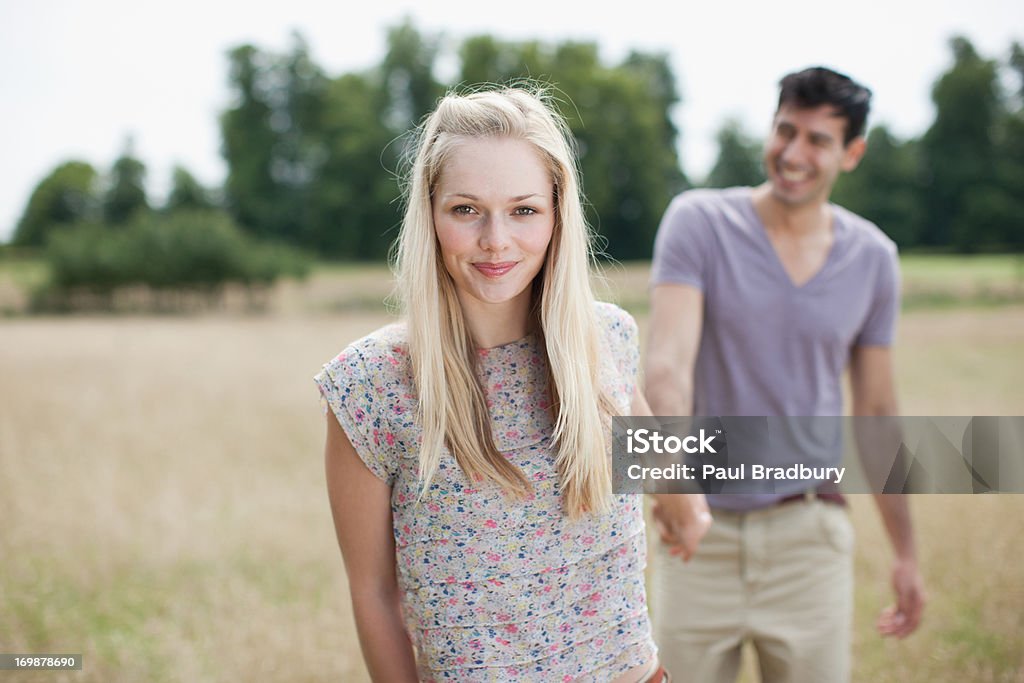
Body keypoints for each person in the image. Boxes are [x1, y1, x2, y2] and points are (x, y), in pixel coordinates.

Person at [315, 86, 709, 682]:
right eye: (466, 209)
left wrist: (686, 505)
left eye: (524, 210)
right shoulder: (371, 385)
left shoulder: (606, 338)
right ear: (430, 215)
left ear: (556, 215)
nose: (496, 240)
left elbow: (654, 452)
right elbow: (373, 594)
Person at [644, 67, 927, 683]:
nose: (793, 153)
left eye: (818, 140)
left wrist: (905, 554)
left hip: (809, 540)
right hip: (699, 537)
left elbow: (877, 413)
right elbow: (666, 365)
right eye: (785, 130)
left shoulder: (874, 259)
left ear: (852, 153)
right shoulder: (699, 222)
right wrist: (672, 488)